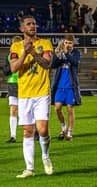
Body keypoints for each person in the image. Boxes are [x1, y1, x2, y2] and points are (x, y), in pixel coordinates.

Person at [10, 15, 53, 178]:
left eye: (34, 23)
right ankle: (29, 168)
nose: (32, 26)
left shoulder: (45, 43)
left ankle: (45, 156)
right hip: (24, 94)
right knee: (27, 131)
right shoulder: (15, 46)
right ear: (22, 28)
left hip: (42, 92)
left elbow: (47, 63)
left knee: (42, 130)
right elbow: (13, 68)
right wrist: (24, 54)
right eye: (28, 24)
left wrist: (33, 52)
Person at [51, 34, 81, 141]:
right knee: (57, 108)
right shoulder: (60, 52)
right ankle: (63, 127)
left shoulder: (76, 53)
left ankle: (69, 132)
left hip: (71, 87)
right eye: (66, 43)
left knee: (70, 109)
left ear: (73, 44)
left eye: (70, 43)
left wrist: (67, 53)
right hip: (59, 86)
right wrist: (57, 54)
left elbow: (75, 62)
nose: (67, 45)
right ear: (64, 42)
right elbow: (53, 65)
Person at [4, 36, 22, 143]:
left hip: (25, 84)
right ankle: (13, 136)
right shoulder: (9, 56)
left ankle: (35, 133)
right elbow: (5, 70)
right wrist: (12, 67)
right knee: (13, 109)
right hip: (12, 84)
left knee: (26, 110)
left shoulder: (26, 55)